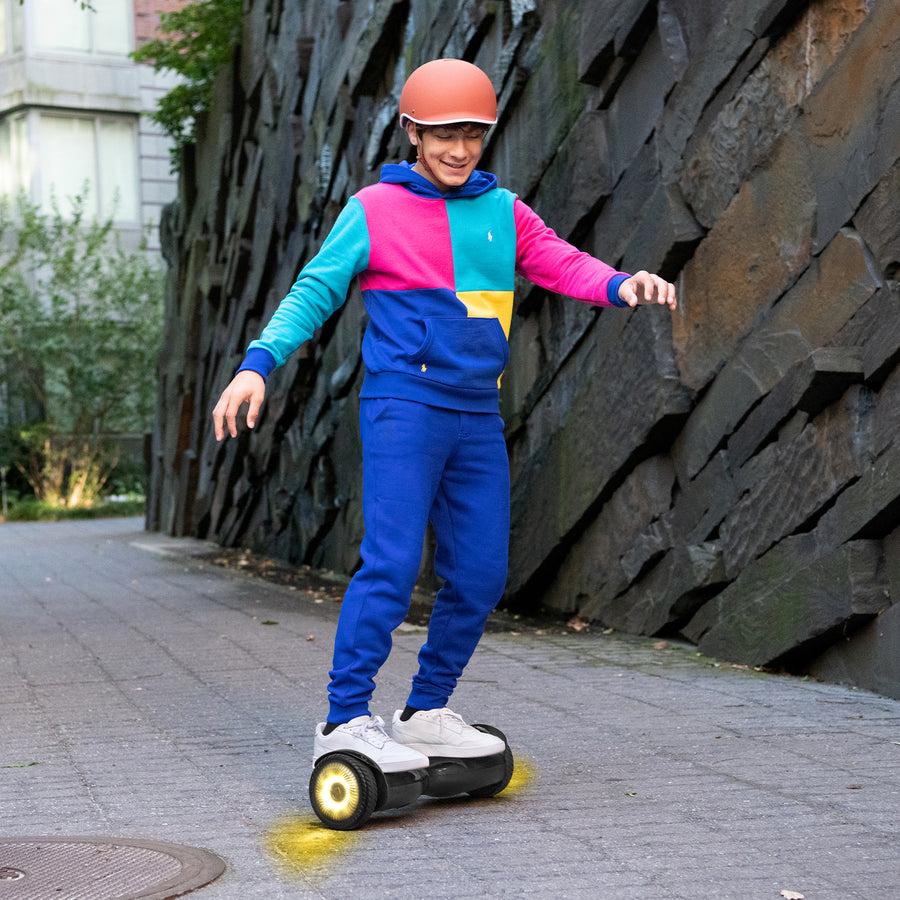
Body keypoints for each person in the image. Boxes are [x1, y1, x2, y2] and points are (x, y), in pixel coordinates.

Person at [212, 58, 677, 773]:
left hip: (476, 415)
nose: (459, 149)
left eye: (472, 135)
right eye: (443, 135)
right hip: (404, 405)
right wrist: (257, 363)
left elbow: (560, 263)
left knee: (483, 574)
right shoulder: (373, 209)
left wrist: (621, 284)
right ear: (412, 133)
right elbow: (314, 290)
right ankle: (343, 720)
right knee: (392, 564)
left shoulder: (504, 211)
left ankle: (426, 710)